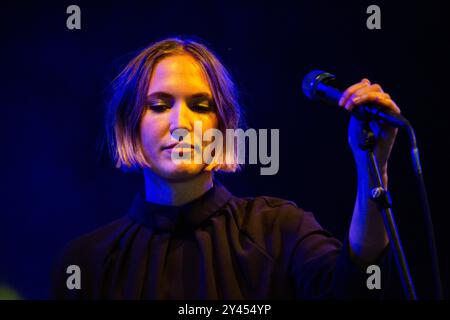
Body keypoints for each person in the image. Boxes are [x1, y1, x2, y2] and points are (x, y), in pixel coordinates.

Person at [52, 37, 400, 299]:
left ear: (223, 126)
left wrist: (372, 163)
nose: (180, 124)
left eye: (201, 106)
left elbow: (355, 288)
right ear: (130, 126)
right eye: (159, 105)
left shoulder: (278, 230)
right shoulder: (89, 261)